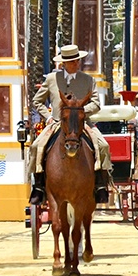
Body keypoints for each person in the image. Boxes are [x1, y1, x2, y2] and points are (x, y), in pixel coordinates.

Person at [26, 44, 113, 205]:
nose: (76, 64)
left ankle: (100, 185)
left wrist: (79, 112)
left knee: (103, 146)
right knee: (36, 146)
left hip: (82, 123)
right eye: (72, 61)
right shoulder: (51, 79)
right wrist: (48, 117)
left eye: (77, 60)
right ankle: (38, 186)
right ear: (63, 64)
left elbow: (96, 104)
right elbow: (37, 101)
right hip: (57, 123)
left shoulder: (88, 80)